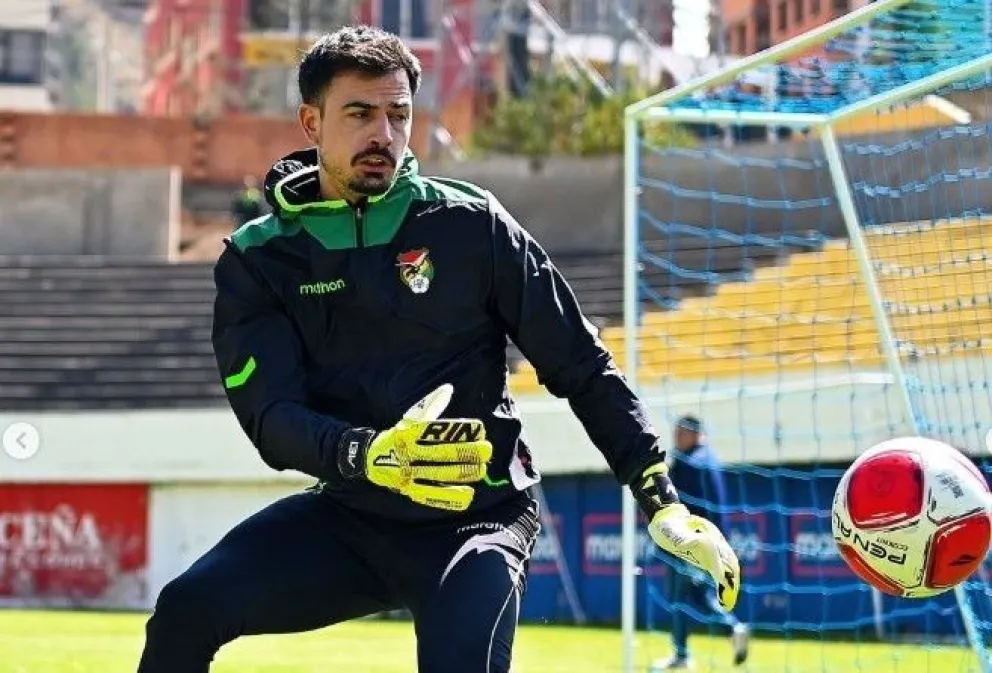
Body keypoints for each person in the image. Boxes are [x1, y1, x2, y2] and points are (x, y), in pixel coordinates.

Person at [134, 25, 740, 673]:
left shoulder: (471, 225)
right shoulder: (260, 259)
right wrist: (363, 453)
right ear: (311, 121)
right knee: (185, 608)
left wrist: (658, 494)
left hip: (476, 520)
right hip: (349, 514)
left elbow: (580, 363)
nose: (384, 134)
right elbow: (271, 416)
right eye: (361, 114)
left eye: (399, 115)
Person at [654, 415, 750, 670]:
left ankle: (689, 651)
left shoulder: (690, 464)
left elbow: (673, 503)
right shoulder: (710, 461)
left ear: (696, 434)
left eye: (681, 433)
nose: (676, 438)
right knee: (694, 595)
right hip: (710, 541)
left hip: (689, 543)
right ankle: (727, 631)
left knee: (683, 598)